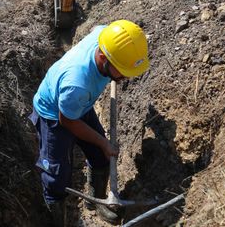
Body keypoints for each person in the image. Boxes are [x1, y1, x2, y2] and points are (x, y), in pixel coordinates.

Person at [29, 20, 150, 226]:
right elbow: (67, 120)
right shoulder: (76, 83)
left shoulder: (105, 37)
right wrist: (103, 142)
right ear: (103, 58)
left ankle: (97, 203)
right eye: (121, 71)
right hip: (54, 115)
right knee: (56, 177)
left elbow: (98, 29)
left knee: (101, 158)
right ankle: (58, 219)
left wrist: (101, 146)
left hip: (80, 106)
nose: (124, 78)